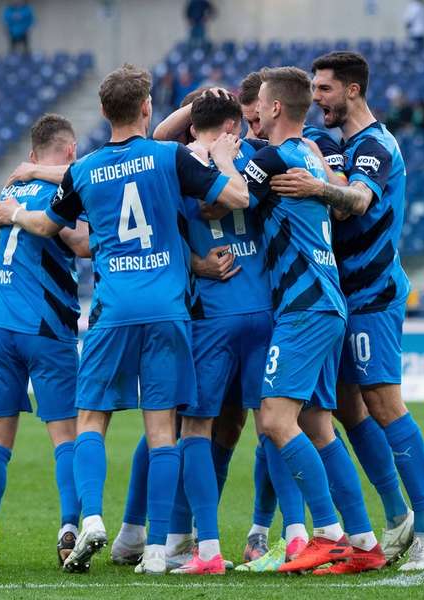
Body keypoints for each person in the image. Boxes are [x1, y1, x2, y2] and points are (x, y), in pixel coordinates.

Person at [0, 64, 249, 575]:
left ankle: (91, 517)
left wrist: (14, 215)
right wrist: (223, 158)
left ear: (103, 113)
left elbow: (54, 226)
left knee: (91, 420)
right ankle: (156, 550)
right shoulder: (170, 156)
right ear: (147, 108)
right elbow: (234, 197)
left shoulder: (84, 170)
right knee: (161, 430)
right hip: (168, 309)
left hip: (113, 308)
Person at [108, 89, 308, 575]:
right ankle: (298, 535)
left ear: (192, 127)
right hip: (263, 308)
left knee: (188, 429)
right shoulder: (259, 156)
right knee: (275, 426)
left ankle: (206, 547)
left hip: (211, 316)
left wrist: (196, 264)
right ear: (237, 122)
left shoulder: (175, 163)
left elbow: (156, 144)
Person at [270, 50, 424, 571]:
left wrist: (317, 187)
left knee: (384, 401)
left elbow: (358, 201)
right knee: (347, 410)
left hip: (372, 294)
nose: (317, 98)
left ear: (352, 90)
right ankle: (397, 520)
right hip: (335, 296)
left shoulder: (377, 145)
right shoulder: (326, 142)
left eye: (324, 89)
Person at [241, 66, 386, 575]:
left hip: (303, 308)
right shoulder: (312, 154)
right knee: (319, 426)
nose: (254, 111)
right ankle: (366, 542)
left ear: (276, 108)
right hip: (328, 304)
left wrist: (214, 152)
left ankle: (326, 533)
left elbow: (228, 197)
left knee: (276, 420)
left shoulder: (276, 156)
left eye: (259, 103)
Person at [0, 114, 89, 568]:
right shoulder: (66, 189)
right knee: (66, 437)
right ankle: (69, 530)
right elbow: (83, 244)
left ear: (33, 154)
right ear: (71, 151)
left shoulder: (10, 191)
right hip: (46, 329)